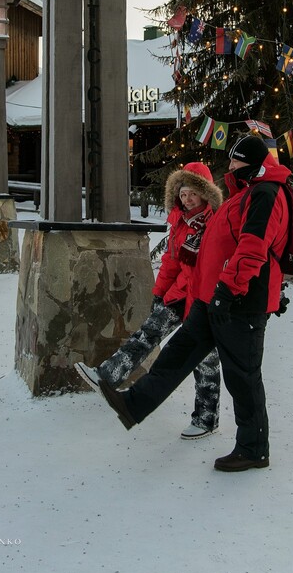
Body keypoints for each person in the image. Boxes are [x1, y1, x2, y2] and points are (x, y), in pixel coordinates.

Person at [96, 134, 291, 472]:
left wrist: (228, 291)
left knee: (242, 376)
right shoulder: (243, 194)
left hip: (238, 302)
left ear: (252, 162)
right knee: (178, 352)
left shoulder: (266, 193)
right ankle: (134, 404)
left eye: (235, 161)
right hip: (210, 297)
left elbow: (253, 248)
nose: (229, 166)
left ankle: (254, 448)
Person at [75, 162, 223, 439]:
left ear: (205, 193)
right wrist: (159, 293)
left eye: (192, 193)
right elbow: (171, 261)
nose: (187, 199)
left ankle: (206, 417)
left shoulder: (217, 221)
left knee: (206, 362)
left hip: (205, 300)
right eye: (182, 195)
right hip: (179, 294)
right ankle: (108, 375)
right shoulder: (180, 223)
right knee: (147, 333)